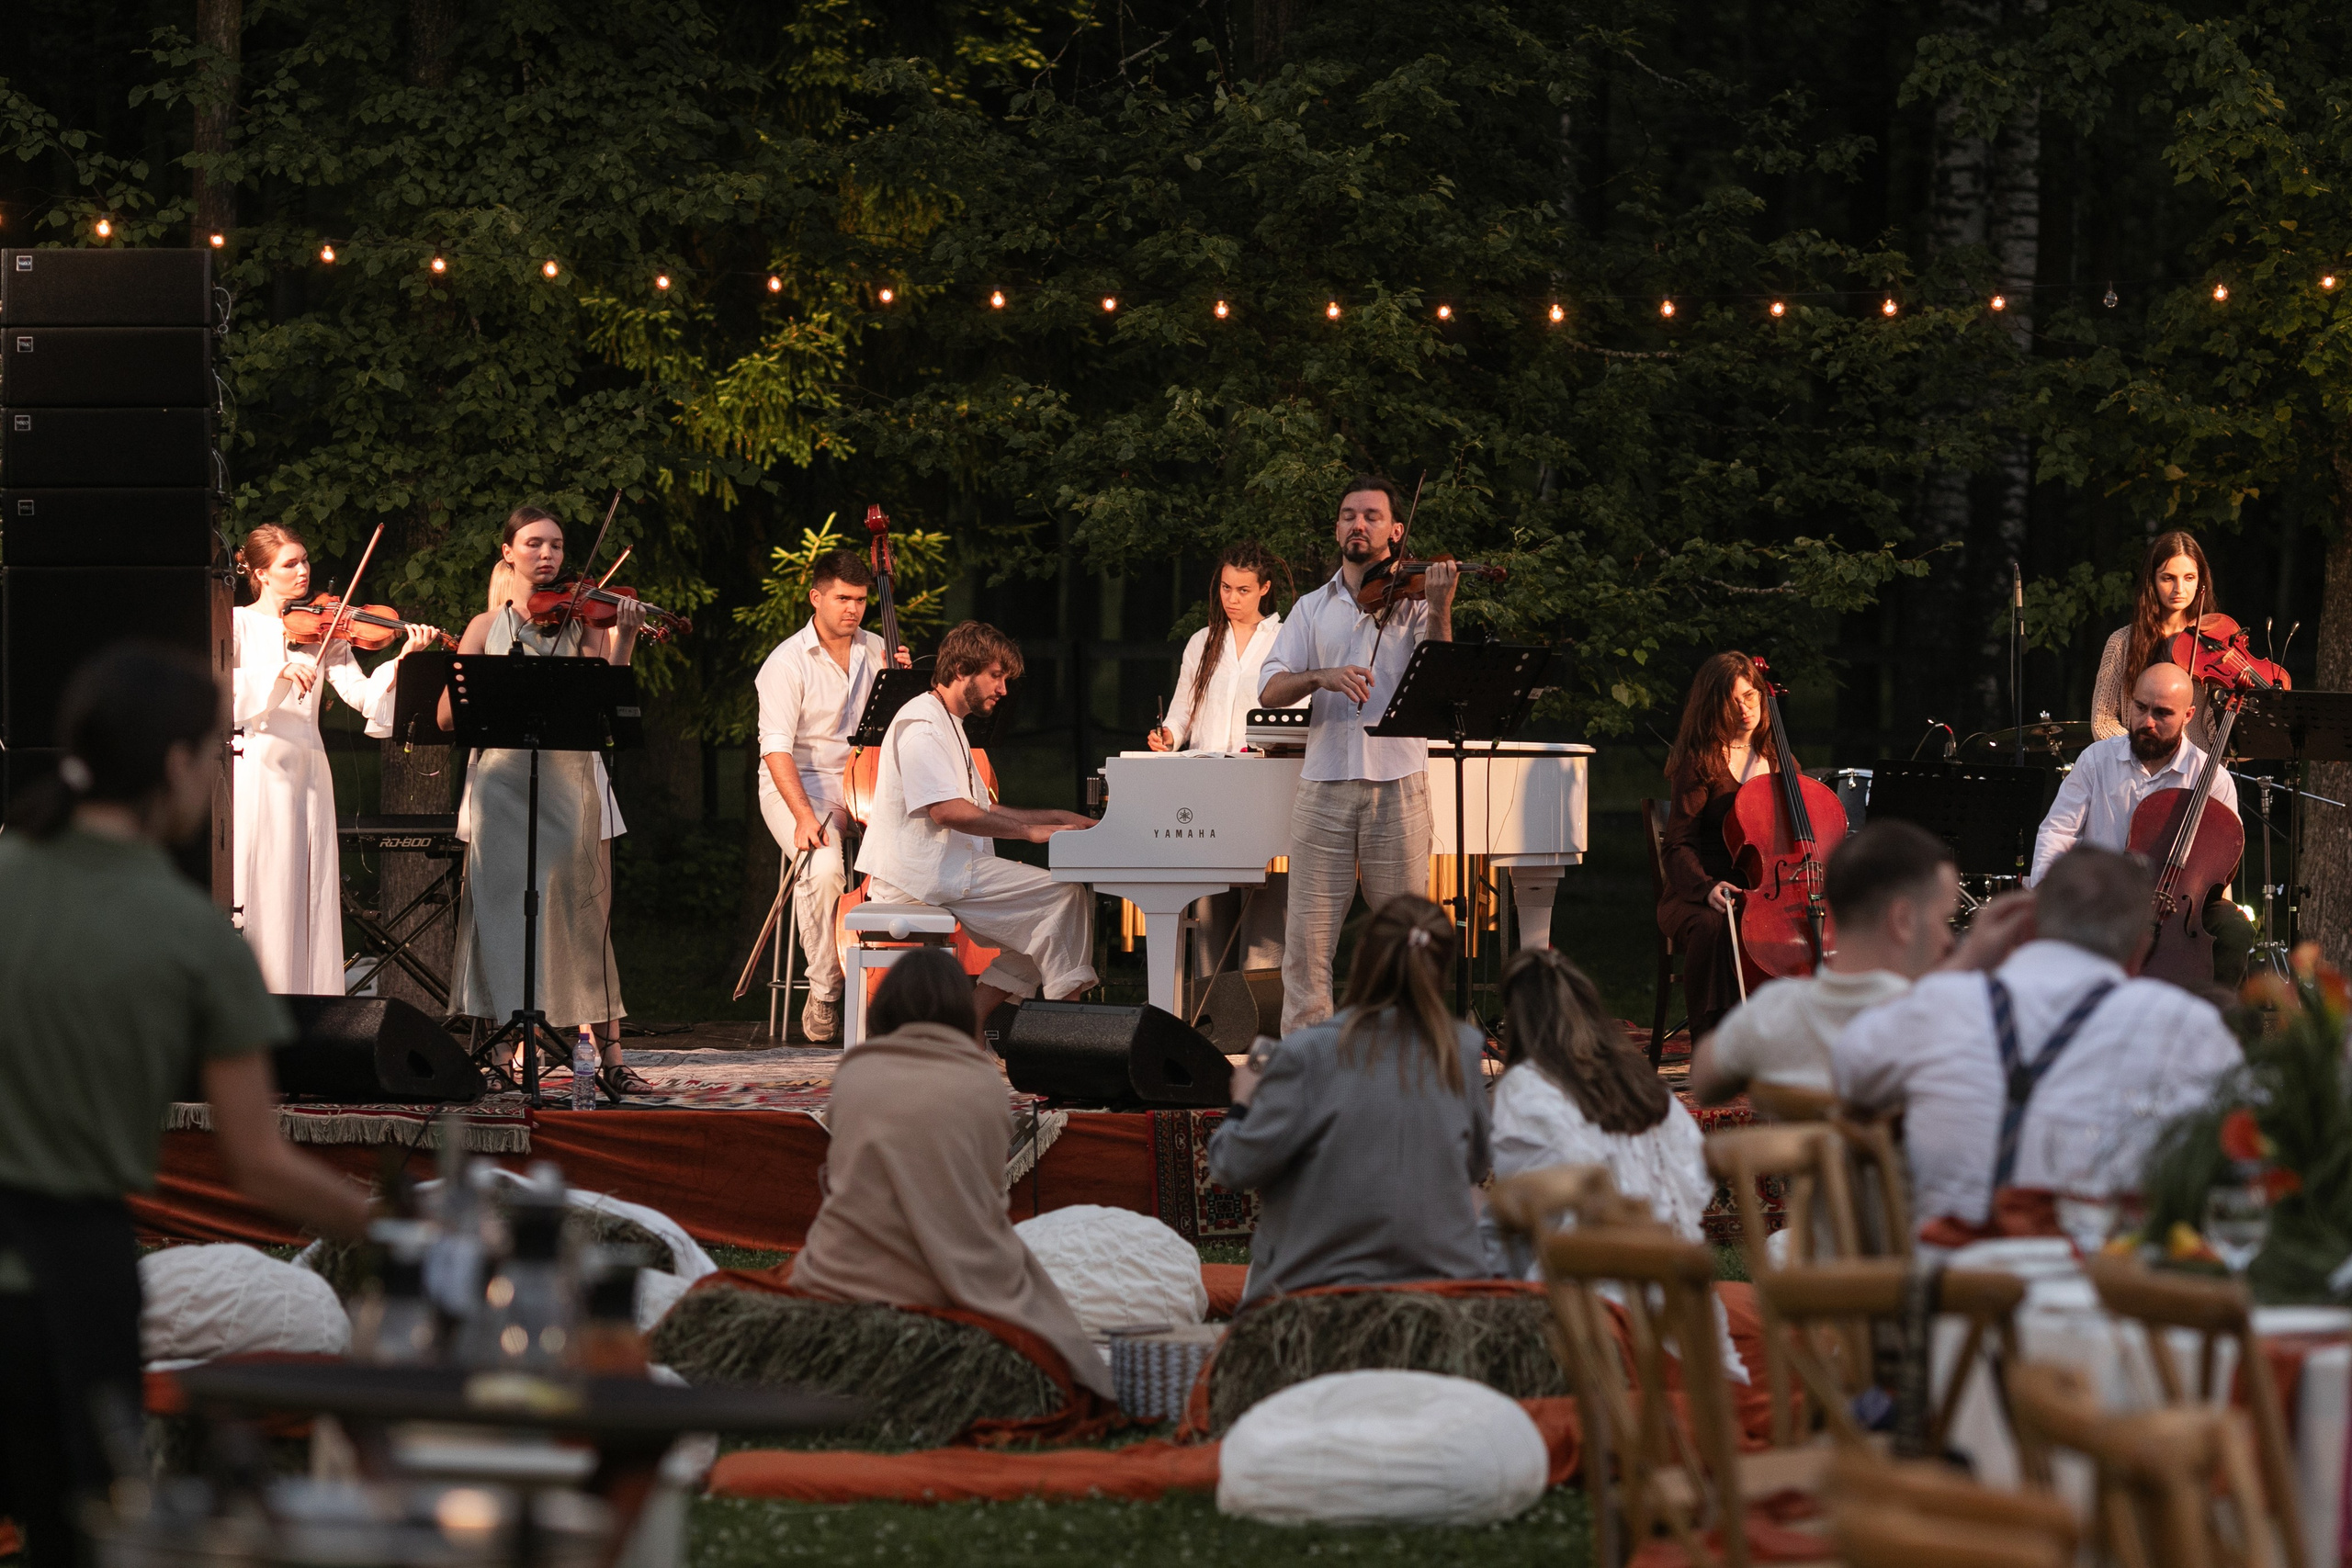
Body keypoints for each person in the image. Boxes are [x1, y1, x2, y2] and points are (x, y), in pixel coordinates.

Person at [0, 644, 372, 1568]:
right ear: (174, 763)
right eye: (215, 753)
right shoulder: (193, 937)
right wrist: (391, 1222)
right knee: (81, 1534)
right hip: (73, 1277)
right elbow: (258, 1163)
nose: (218, 772)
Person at [1833, 846, 2242, 1244]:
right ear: (2139, 950)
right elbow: (2241, 1158)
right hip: (2109, 1297)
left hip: (1952, 1296)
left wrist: (1967, 958)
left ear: (2025, 929)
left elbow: (1848, 1070)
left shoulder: (1940, 1003)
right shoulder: (2187, 1025)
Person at [791, 947, 1111, 1397]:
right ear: (961, 1010)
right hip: (966, 1268)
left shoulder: (855, 1073)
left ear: (887, 1005)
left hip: (851, 1270)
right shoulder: (982, 1082)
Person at [442, 504, 648, 1095]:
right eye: (533, 543)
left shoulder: (585, 624)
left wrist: (625, 633)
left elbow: (611, 695)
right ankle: (500, 1055)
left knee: (584, 914)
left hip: (567, 783)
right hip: (501, 784)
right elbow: (446, 714)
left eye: (556, 545)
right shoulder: (485, 627)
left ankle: (610, 1055)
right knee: (500, 913)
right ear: (508, 551)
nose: (547, 554)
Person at [1205, 896, 1492, 1308]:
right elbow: (1477, 1166)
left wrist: (1244, 1100)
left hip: (1315, 1293)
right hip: (1439, 1293)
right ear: (1442, 969)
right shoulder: (1462, 1048)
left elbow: (1233, 1165)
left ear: (1362, 958)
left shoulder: (1306, 1052)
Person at [1487, 945, 1747, 1379]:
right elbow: (1694, 1187)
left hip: (1591, 1319)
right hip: (1683, 1301)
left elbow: (1530, 1210)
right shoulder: (1645, 1084)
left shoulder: (1524, 1091)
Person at [1257, 477, 1457, 1032]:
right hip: (1323, 785)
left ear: (1396, 530)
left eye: (1371, 516)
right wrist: (1321, 676)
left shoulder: (1416, 602)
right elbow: (1269, 689)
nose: (1358, 525)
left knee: (1406, 937)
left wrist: (1439, 607)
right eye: (1348, 515)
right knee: (1306, 941)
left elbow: (1440, 679)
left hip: (1399, 783)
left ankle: (1409, 1049)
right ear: (1338, 527)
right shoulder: (1310, 608)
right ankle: (1307, 1056)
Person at [231, 524, 443, 991]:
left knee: (311, 889)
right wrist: (279, 670)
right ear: (261, 574)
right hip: (262, 765)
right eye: (290, 564)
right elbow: (222, 693)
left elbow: (364, 697)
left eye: (305, 560)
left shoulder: (325, 628)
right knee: (269, 885)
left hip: (310, 764)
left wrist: (405, 656)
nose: (304, 570)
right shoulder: (237, 623)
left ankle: (311, 1012)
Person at [855, 620, 1100, 1022]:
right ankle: (1064, 1032)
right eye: (996, 677)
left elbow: (979, 806)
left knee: (1054, 918)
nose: (1003, 690)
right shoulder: (921, 724)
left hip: (947, 869)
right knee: (1063, 900)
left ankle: (971, 1022)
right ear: (960, 671)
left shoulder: (949, 722)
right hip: (922, 875)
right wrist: (1029, 833)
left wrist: (1057, 817)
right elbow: (946, 811)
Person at [1691, 820, 2036, 1103]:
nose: (1948, 940)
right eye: (1942, 919)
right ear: (1902, 919)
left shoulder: (1774, 1011)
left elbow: (1704, 1080)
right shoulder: (1939, 1023)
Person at [752, 547, 910, 1044]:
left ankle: (903, 994)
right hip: (800, 784)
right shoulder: (785, 663)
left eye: (861, 600)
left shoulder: (878, 648)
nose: (853, 609)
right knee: (823, 869)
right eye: (842, 598)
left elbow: (897, 730)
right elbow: (776, 751)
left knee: (919, 857)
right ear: (815, 597)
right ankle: (825, 988)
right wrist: (803, 817)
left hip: (868, 781)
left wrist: (907, 689)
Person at [2032, 661, 2250, 987]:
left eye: (2162, 713)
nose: (2147, 722)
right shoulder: (2096, 760)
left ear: (2188, 717)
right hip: (2104, 897)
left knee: (2234, 929)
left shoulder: (2213, 779)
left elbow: (2217, 867)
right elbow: (2058, 832)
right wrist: (2046, 897)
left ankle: (2213, 1021)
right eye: (2140, 707)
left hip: (2178, 907)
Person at [1657, 651, 1781, 1043]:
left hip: (1763, 891)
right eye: (1732, 700)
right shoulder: (1701, 762)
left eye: (1751, 696)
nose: (1745, 709)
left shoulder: (1779, 761)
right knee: (1716, 927)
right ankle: (1713, 1043)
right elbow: (1677, 845)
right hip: (1699, 893)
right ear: (1713, 707)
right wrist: (1706, 887)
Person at [1149, 541, 1290, 754]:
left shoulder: (1284, 640)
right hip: (1204, 766)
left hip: (1260, 768)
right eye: (1226, 588)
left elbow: (1293, 715)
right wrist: (1169, 735)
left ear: (1264, 588)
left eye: (1243, 590)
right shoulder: (1202, 641)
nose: (1232, 599)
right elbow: (1183, 710)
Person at [2090, 530, 2220, 751]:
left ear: (2201, 582)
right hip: (2135, 768)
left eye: (2189, 578)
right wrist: (2150, 749)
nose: (2180, 589)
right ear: (2152, 580)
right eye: (2168, 578)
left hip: (2195, 772)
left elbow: (2218, 732)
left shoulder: (2214, 644)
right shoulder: (2122, 642)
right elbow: (2102, 722)